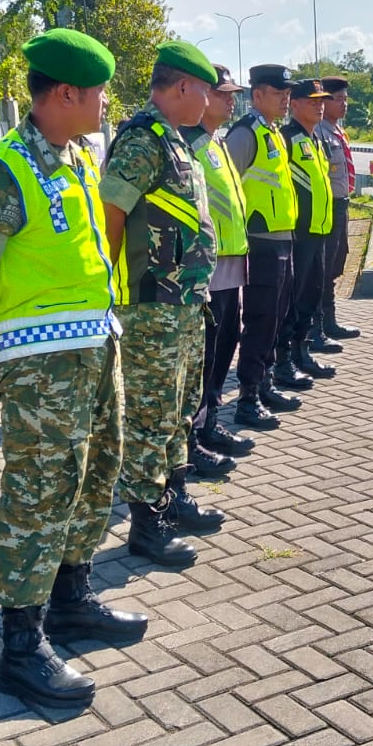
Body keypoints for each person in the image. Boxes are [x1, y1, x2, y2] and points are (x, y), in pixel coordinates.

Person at [0, 28, 147, 709]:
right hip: (39, 363)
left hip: (94, 343)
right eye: (98, 92)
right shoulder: (5, 170)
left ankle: (71, 597)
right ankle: (20, 646)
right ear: (66, 93)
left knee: (95, 473)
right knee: (39, 491)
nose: (104, 103)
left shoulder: (77, 158)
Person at [100, 41, 227, 568]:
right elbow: (109, 217)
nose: (210, 100)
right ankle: (147, 526)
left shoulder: (176, 141)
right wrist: (106, 294)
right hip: (150, 305)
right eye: (204, 90)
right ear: (181, 87)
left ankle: (173, 498)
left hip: (183, 302)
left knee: (178, 409)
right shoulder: (142, 141)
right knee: (151, 416)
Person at [186, 65, 257, 470]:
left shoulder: (216, 144)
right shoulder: (190, 144)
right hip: (207, 267)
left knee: (225, 344)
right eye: (224, 94)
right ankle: (194, 435)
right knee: (206, 354)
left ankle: (210, 421)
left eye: (233, 94)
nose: (231, 101)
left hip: (232, 260)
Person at [224, 64, 302, 428]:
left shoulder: (272, 133)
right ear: (257, 95)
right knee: (259, 320)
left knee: (277, 317)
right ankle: (248, 397)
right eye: (278, 93)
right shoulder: (245, 135)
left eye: (287, 93)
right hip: (260, 244)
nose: (286, 99)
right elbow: (228, 189)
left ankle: (265, 383)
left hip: (283, 238)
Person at [276, 78, 337, 384]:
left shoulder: (315, 139)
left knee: (311, 295)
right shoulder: (286, 138)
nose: (319, 105)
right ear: (295, 104)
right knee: (292, 299)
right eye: (312, 101)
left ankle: (302, 351)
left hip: (319, 231)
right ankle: (283, 360)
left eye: (322, 100)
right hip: (298, 234)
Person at [313, 76, 360, 350]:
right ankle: (320, 325)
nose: (344, 104)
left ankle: (329, 321)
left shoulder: (336, 131)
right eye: (338, 99)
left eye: (345, 99)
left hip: (341, 204)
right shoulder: (319, 132)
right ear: (325, 101)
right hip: (326, 207)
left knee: (336, 262)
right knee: (323, 267)